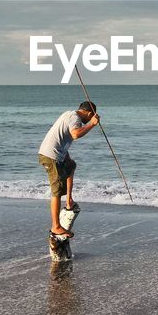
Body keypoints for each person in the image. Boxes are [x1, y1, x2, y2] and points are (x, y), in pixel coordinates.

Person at [38, 100, 99, 240]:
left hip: (57, 154)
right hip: (50, 156)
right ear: (89, 113)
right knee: (57, 190)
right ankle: (56, 226)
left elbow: (62, 136)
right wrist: (92, 124)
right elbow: (75, 134)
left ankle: (69, 201)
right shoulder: (75, 117)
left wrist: (66, 156)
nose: (88, 120)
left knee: (71, 165)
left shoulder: (69, 114)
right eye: (90, 117)